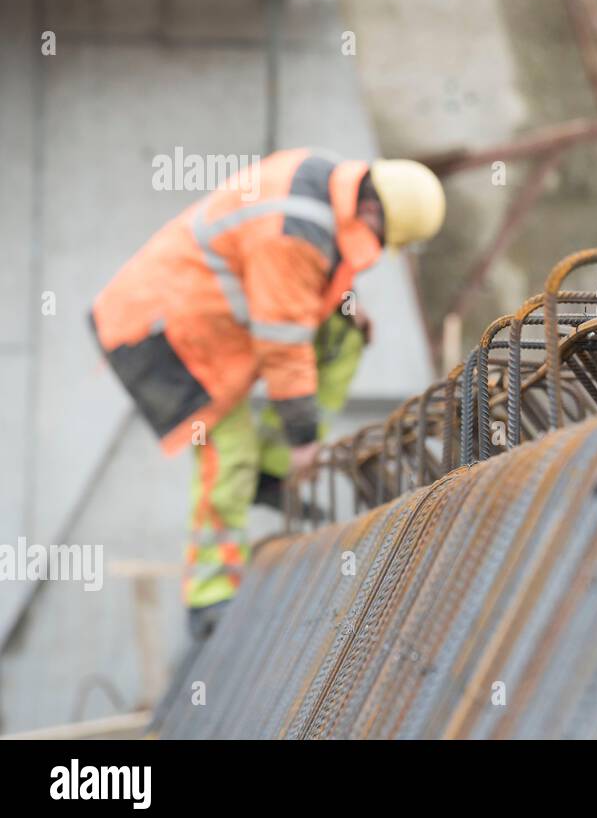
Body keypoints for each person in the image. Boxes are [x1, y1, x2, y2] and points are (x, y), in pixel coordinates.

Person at [90, 150, 445, 639]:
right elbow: (283, 342)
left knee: (345, 334)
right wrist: (304, 441)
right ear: (370, 213)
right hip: (164, 336)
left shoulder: (328, 187)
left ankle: (272, 473)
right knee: (228, 453)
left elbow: (295, 288)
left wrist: (345, 306)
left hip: (209, 325)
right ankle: (209, 599)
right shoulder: (295, 231)